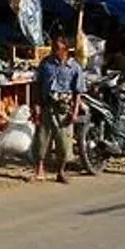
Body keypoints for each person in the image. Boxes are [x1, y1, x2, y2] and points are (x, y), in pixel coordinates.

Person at [32, 33, 84, 184]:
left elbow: (78, 92)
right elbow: (37, 85)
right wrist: (36, 106)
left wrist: (74, 113)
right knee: (41, 140)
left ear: (66, 50)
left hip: (64, 110)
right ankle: (39, 168)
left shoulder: (74, 67)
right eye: (53, 48)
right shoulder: (45, 64)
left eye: (58, 48)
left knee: (64, 143)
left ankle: (61, 171)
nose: (54, 51)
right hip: (47, 106)